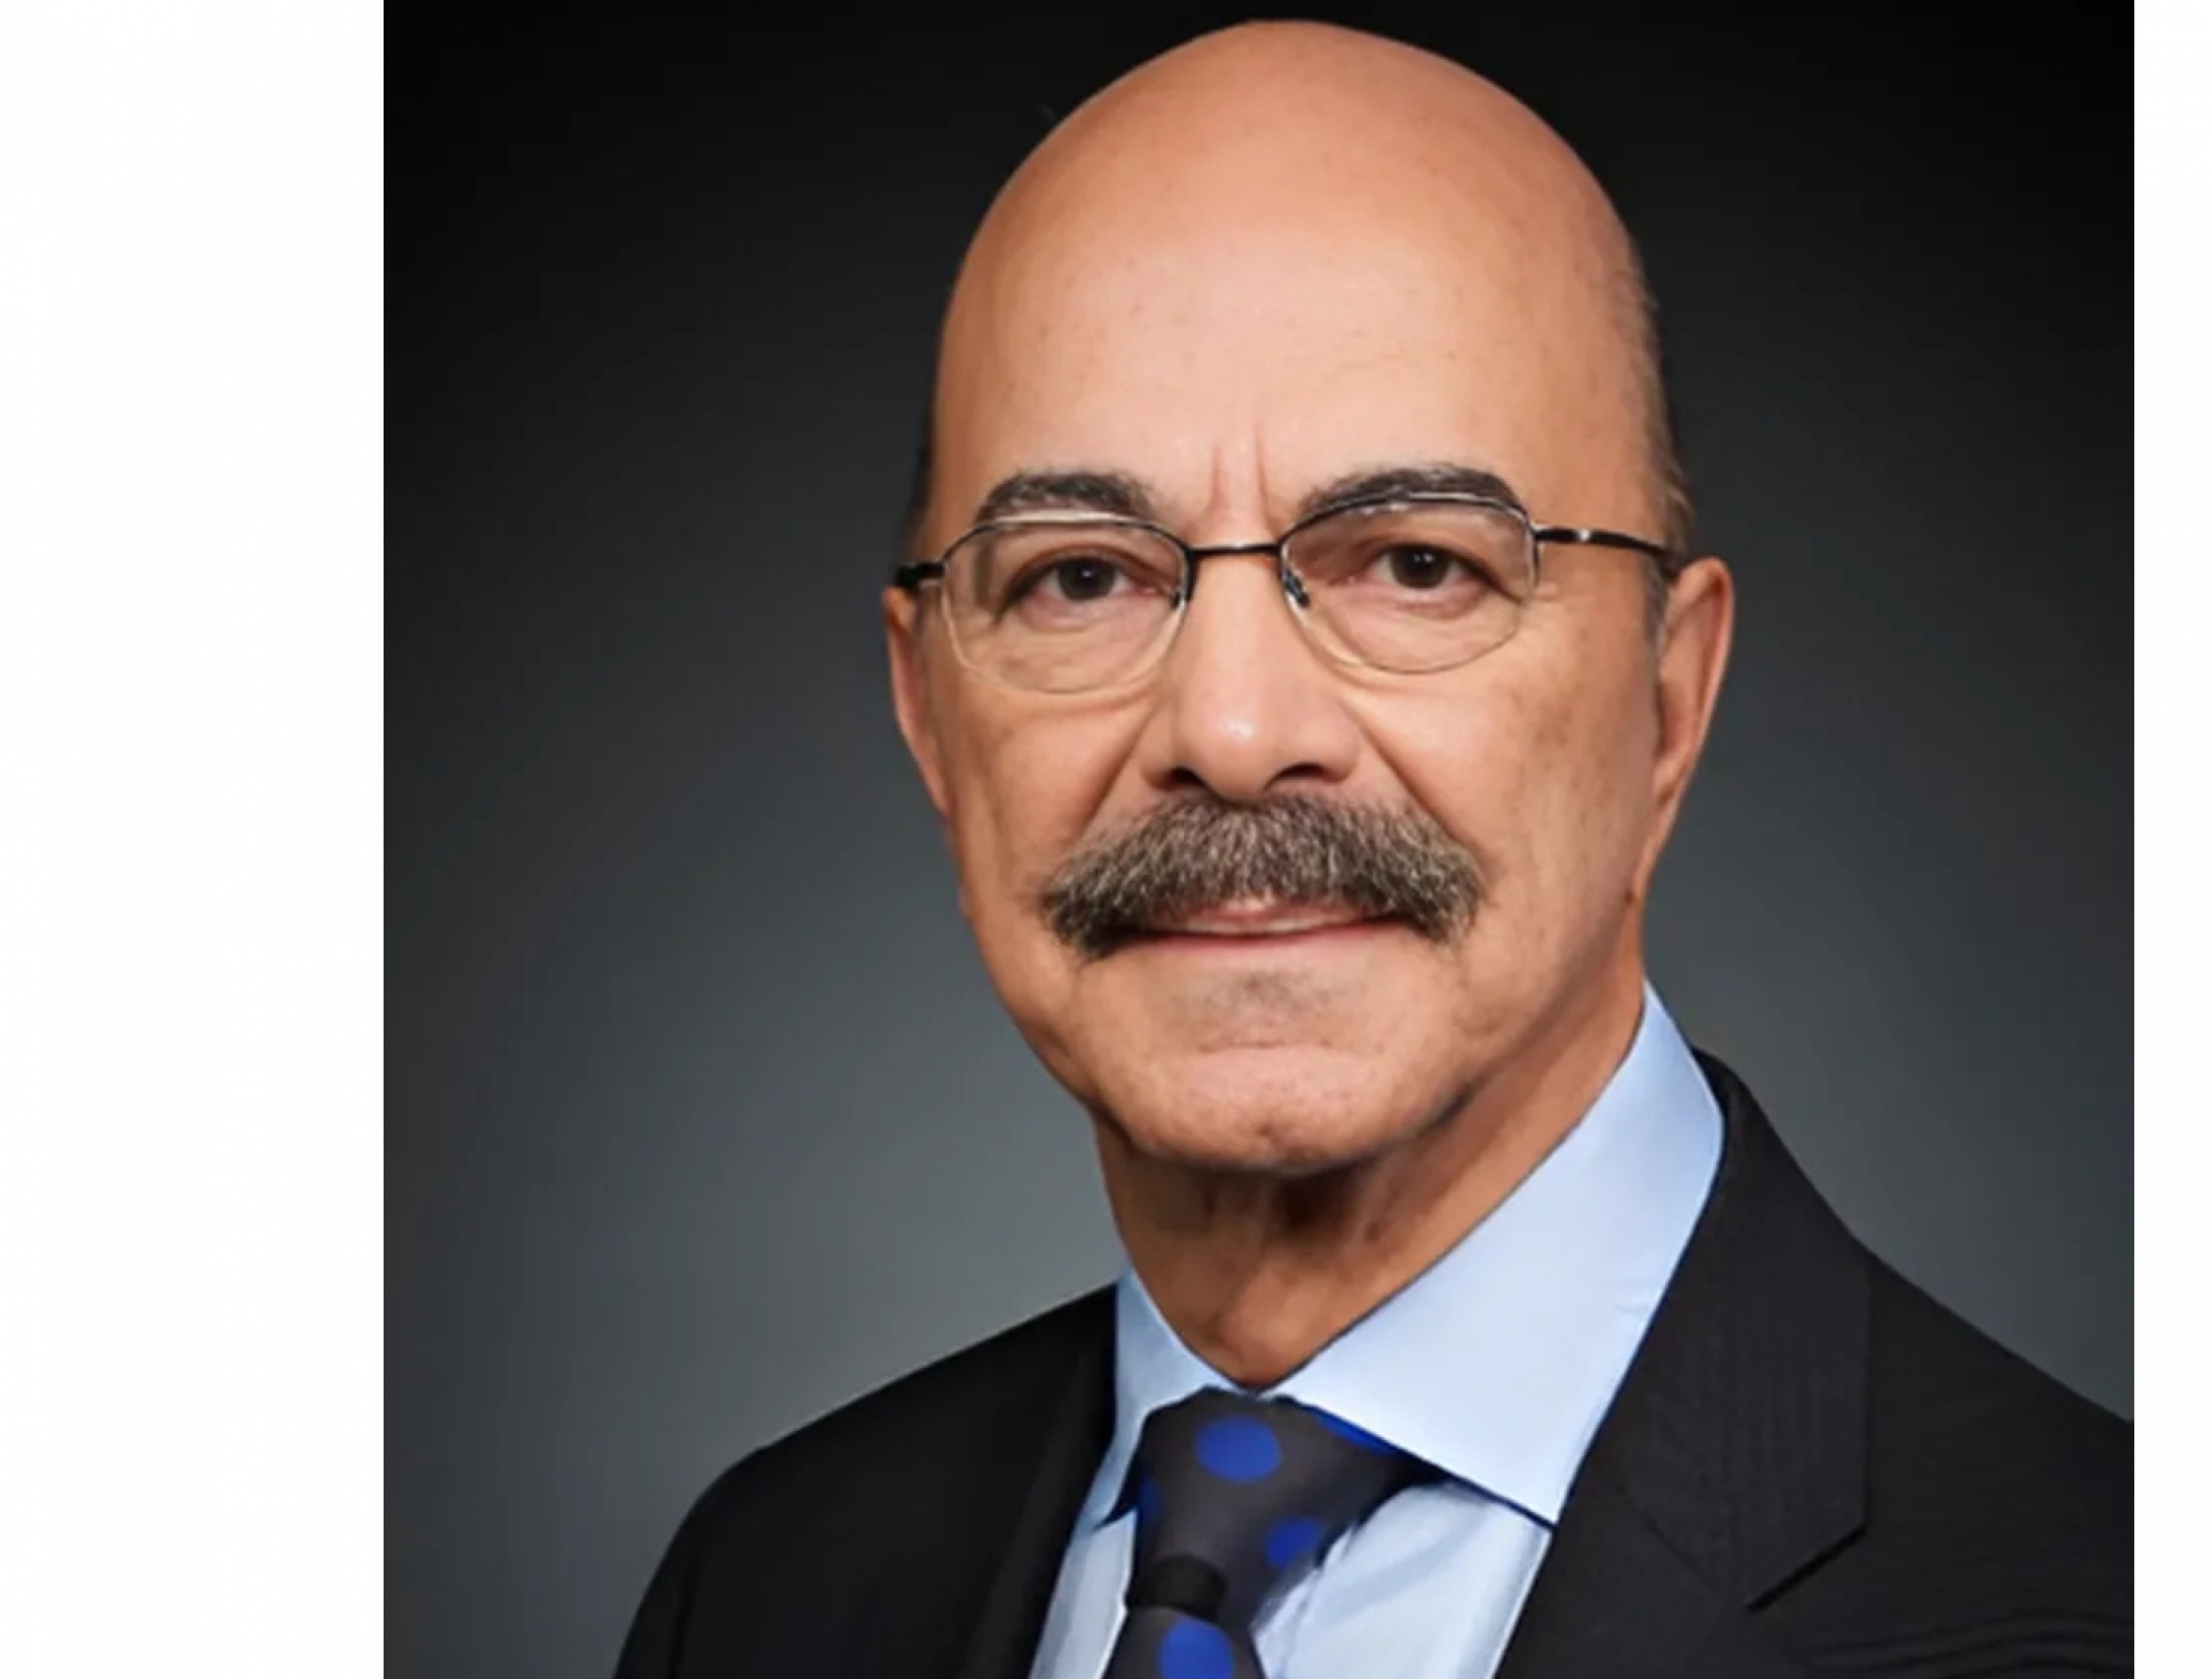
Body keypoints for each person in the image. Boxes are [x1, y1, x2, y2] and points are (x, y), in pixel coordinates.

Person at [615, 21, 2128, 1679]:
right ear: (929, 718)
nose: (1238, 731)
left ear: (1668, 702)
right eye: (1080, 576)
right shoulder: (768, 1591)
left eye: (1415, 564)